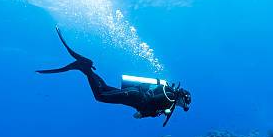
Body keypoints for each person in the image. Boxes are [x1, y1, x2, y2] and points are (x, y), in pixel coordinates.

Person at [37, 27, 191, 127]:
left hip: (132, 94)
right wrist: (143, 114)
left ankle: (85, 68)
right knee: (101, 96)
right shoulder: (170, 97)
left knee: (103, 88)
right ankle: (85, 67)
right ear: (181, 97)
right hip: (133, 96)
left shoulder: (169, 97)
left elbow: (152, 104)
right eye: (184, 103)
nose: (182, 106)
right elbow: (151, 104)